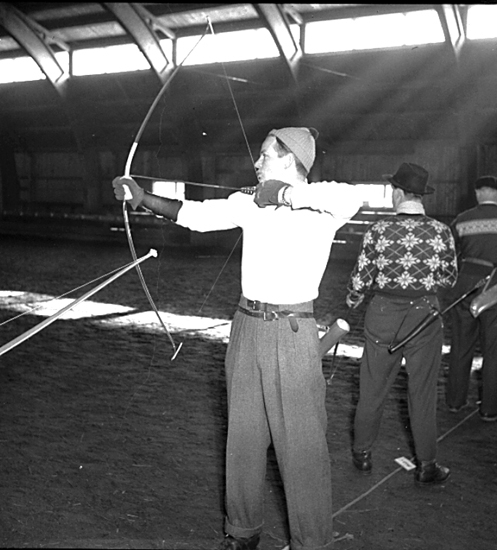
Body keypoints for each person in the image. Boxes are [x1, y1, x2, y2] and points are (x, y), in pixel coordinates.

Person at [112, 127, 364, 550]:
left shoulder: (322, 207)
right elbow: (196, 214)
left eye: (265, 155)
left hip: (291, 331)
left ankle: (312, 541)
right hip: (246, 326)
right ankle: (242, 531)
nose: (257, 162)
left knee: (301, 443)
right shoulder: (250, 203)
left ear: (288, 159)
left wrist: (284, 195)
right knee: (243, 436)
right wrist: (142, 198)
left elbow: (351, 198)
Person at [345, 162, 458, 484]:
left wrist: (352, 300)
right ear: (420, 195)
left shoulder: (378, 231)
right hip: (424, 315)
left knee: (372, 388)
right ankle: (427, 465)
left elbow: (361, 279)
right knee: (422, 392)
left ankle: (362, 454)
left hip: (382, 313)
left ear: (397, 192)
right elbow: (449, 279)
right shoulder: (441, 231)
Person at [446, 175, 497, 421]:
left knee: (460, 344)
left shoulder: (462, 220)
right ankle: (490, 408)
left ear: (477, 194)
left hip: (465, 284)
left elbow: (448, 254)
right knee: (493, 348)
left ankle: (455, 401)